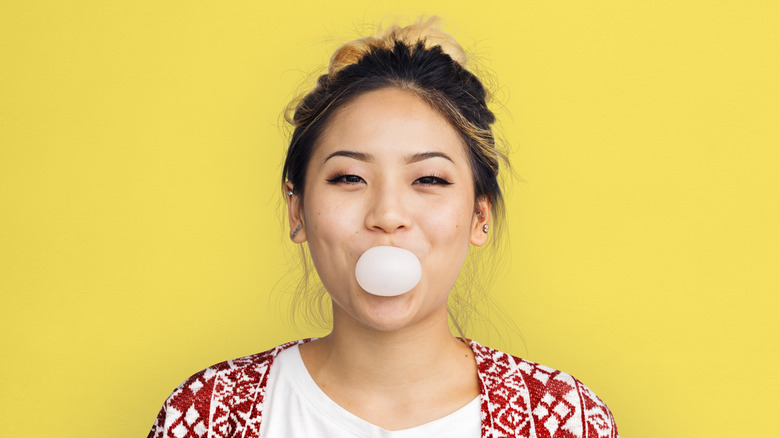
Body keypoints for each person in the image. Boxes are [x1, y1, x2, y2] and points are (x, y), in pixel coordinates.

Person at [148, 17, 618, 438]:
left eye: (429, 179)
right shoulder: (209, 417)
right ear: (298, 212)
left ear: (480, 216)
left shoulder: (565, 421)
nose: (387, 215)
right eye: (349, 178)